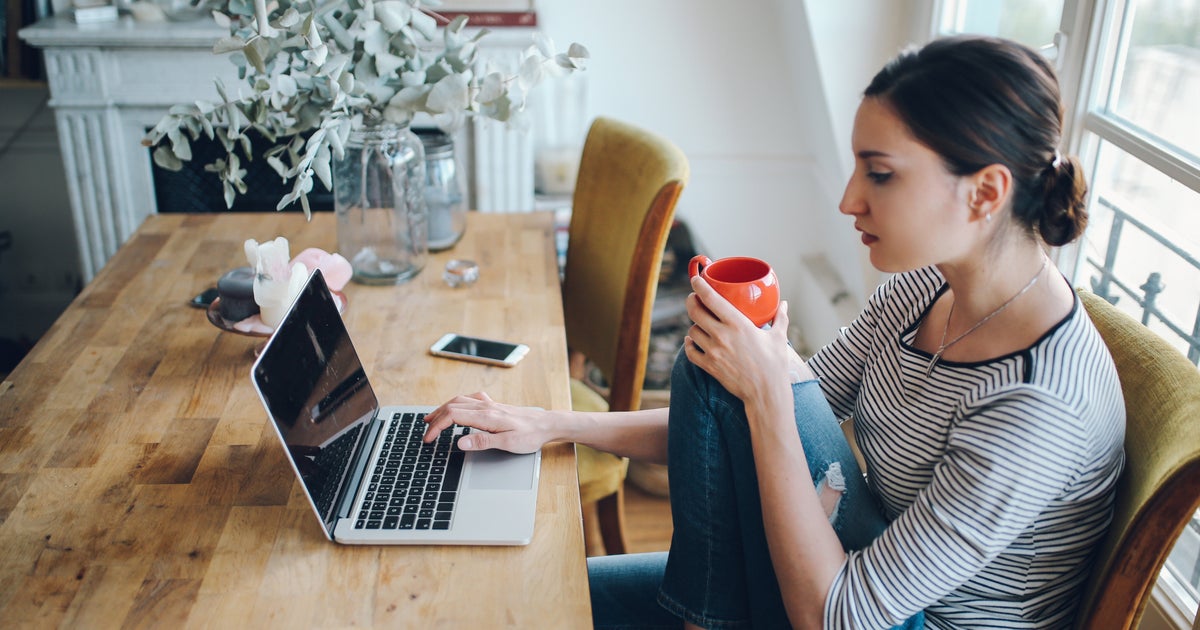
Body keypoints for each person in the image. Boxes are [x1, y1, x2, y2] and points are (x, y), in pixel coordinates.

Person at [423, 35, 1125, 629]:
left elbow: (839, 614)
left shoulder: (1038, 405)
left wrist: (767, 390)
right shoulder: (925, 284)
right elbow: (725, 412)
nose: (850, 199)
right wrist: (550, 424)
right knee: (516, 606)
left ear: (985, 192)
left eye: (879, 174)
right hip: (845, 562)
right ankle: (706, 612)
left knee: (742, 362)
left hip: (879, 611)